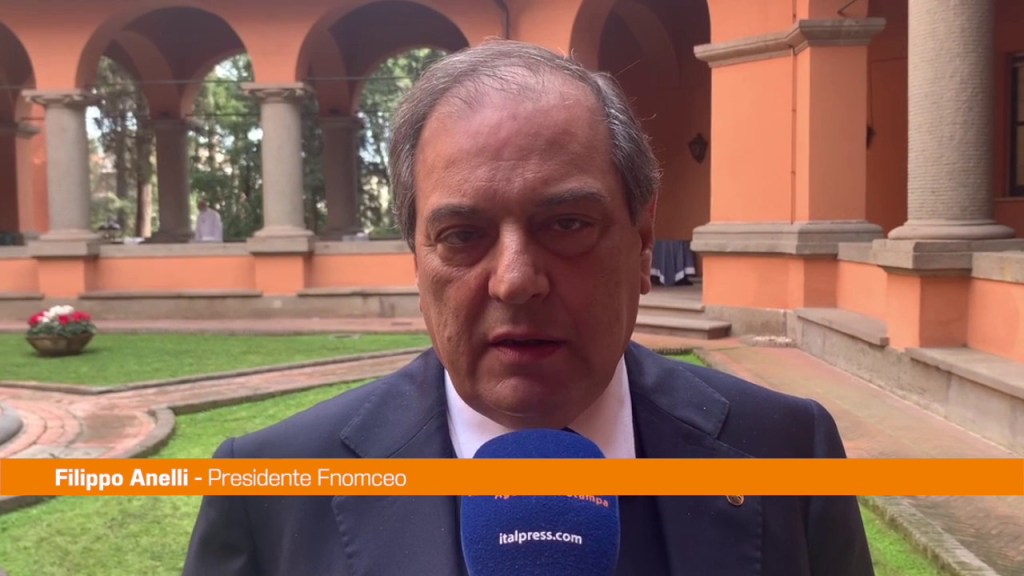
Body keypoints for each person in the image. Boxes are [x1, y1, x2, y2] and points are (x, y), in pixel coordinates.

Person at [183, 41, 873, 576]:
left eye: (567, 224)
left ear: (641, 244)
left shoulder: (789, 447)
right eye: (463, 235)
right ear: (417, 260)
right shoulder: (267, 491)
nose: (515, 282)